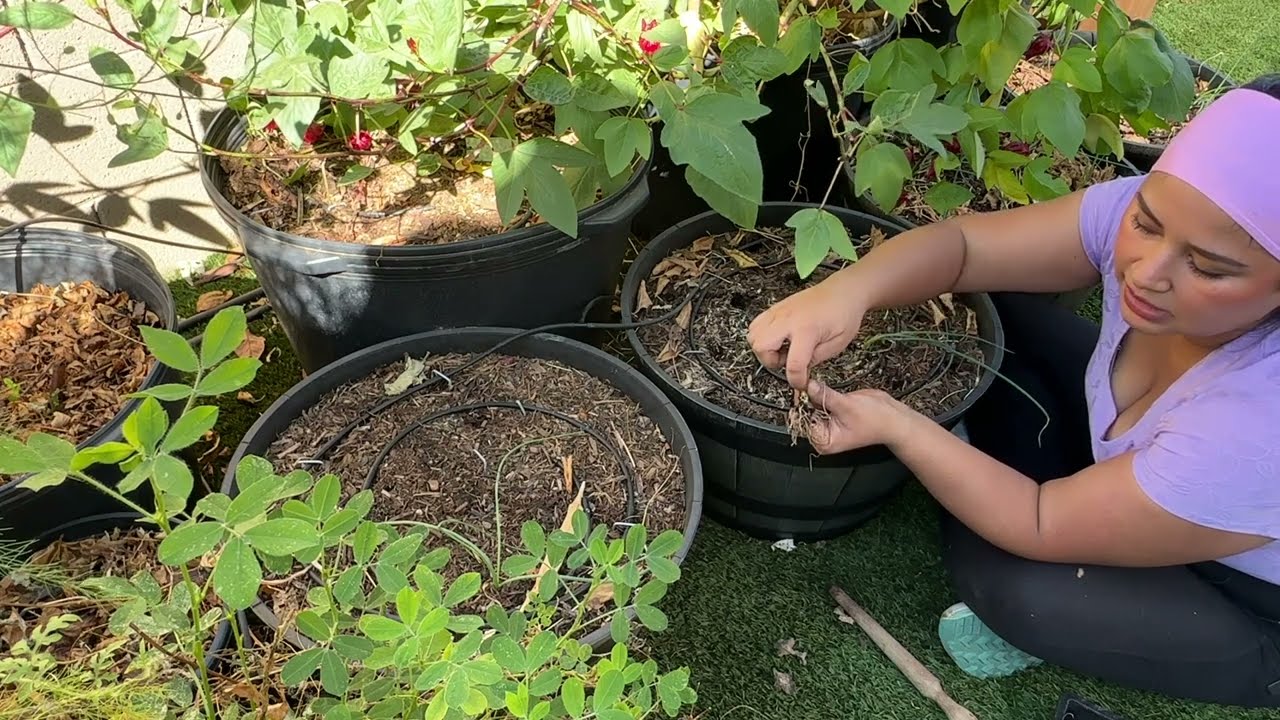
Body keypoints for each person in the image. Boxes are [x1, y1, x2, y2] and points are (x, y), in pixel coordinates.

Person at [747, 76, 1280, 708]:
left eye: (1207, 268)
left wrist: (900, 424)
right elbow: (966, 248)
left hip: (1241, 598)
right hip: (1157, 468)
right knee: (995, 313)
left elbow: (1038, 520)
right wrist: (848, 291)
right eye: (1146, 222)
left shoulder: (1254, 429)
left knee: (1013, 590)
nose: (1146, 272)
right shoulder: (1167, 218)